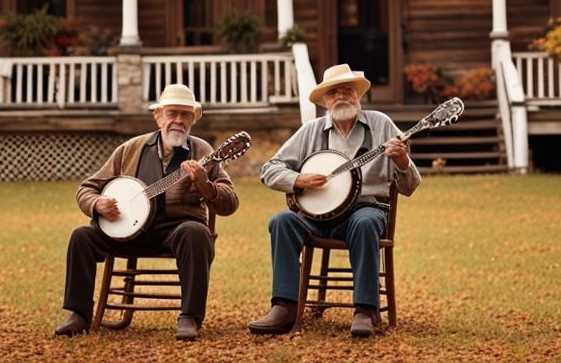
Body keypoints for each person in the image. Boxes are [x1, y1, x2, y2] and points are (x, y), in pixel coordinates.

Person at [55, 83, 239, 342]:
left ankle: (189, 317)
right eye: (172, 113)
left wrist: (205, 185)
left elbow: (230, 203)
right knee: (82, 236)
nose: (178, 121)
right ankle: (79, 314)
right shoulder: (131, 148)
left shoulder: (204, 152)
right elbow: (87, 188)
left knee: (196, 232)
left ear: (193, 119)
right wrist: (97, 204)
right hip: (129, 230)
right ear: (158, 116)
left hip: (177, 230)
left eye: (185, 114)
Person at [248, 63, 421, 338]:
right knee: (281, 221)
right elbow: (269, 169)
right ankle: (285, 306)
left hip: (365, 209)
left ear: (358, 95)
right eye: (333, 92)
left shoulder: (381, 124)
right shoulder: (311, 130)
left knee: (365, 222)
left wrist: (401, 160)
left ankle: (365, 309)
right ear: (326, 100)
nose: (341, 96)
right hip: (315, 217)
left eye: (347, 90)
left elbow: (410, 186)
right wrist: (297, 180)